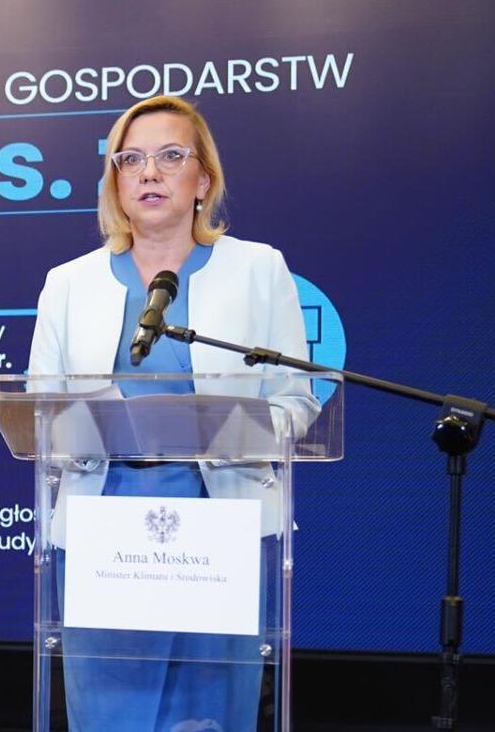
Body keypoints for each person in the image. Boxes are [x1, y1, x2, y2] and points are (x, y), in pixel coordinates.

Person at [25, 95, 311, 732]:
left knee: (209, 711)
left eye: (170, 156)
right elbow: (42, 409)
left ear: (203, 179)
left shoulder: (258, 269)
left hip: (222, 520)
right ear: (115, 183)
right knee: (111, 709)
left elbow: (296, 398)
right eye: (130, 160)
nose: (149, 173)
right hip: (103, 523)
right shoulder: (68, 283)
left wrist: (235, 428)